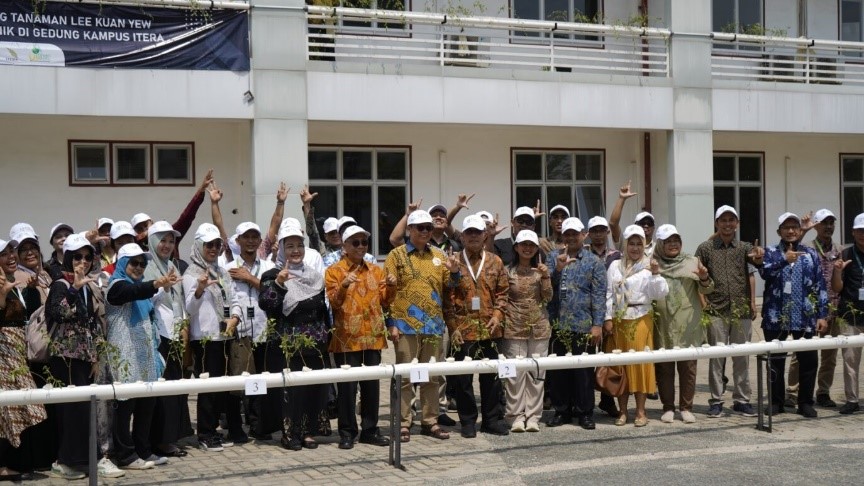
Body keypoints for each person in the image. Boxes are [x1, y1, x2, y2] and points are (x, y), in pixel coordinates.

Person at [384, 209, 460, 443]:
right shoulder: (396, 255)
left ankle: (430, 421)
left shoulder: (438, 255)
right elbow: (386, 294)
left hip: (433, 326)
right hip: (405, 325)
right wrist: (391, 324)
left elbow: (450, 286)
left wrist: (455, 272)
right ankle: (403, 422)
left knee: (432, 376)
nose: (426, 231)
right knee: (405, 377)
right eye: (421, 228)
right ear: (410, 230)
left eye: (429, 228)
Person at [44, 234, 115, 479]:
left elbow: (90, 322)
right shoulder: (60, 284)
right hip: (64, 357)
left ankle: (80, 459)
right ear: (68, 259)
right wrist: (74, 288)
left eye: (87, 257)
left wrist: (95, 355)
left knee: (83, 410)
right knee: (70, 411)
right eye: (77, 257)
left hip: (83, 357)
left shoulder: (86, 285)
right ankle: (65, 460)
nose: (83, 262)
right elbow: (58, 313)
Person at [106, 243, 181, 467]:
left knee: (146, 406)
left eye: (142, 264)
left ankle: (143, 450)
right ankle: (125, 455)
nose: (139, 267)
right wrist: (156, 284)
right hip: (125, 356)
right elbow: (131, 292)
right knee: (125, 407)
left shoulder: (143, 290)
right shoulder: (116, 286)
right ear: (122, 264)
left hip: (145, 356)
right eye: (134, 263)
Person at [258, 225, 331, 451]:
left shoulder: (314, 276)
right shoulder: (272, 275)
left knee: (312, 389)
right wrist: (280, 284)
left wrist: (326, 337)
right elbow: (267, 304)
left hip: (315, 344)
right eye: (290, 246)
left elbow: (322, 310)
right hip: (287, 345)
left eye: (299, 245)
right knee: (291, 391)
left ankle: (308, 432)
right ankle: (290, 434)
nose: (296, 250)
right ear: (281, 249)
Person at [325, 225, 394, 449]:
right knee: (347, 388)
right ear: (345, 246)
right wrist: (344, 285)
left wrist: (392, 286)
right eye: (355, 242)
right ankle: (347, 432)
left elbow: (386, 301)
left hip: (373, 336)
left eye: (364, 242)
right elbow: (334, 303)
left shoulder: (375, 270)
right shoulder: (334, 271)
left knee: (371, 387)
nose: (361, 246)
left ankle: (370, 430)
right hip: (347, 338)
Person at [695, 205, 764, 418]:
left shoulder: (744, 248)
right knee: (717, 358)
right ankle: (716, 401)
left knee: (742, 358)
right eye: (723, 220)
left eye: (731, 220)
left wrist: (759, 257)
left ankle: (742, 400)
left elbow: (756, 265)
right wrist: (704, 304)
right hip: (716, 310)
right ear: (716, 223)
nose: (727, 224)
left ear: (737, 224)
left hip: (741, 310)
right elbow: (697, 277)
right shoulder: (705, 248)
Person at [445, 215, 510, 438]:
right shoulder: (453, 261)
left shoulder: (495, 261)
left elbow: (503, 292)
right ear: (462, 237)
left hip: (490, 328)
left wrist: (498, 315)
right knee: (463, 380)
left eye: (477, 232)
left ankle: (491, 420)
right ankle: (468, 421)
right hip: (462, 330)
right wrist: (453, 328)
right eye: (469, 232)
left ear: (485, 236)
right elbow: (447, 297)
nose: (473, 236)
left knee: (491, 377)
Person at [183, 223, 244, 452]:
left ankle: (213, 430)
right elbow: (189, 309)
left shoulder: (221, 272)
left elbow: (234, 298)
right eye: (209, 244)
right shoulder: (191, 274)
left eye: (217, 244)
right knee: (208, 389)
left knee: (220, 388)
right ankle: (205, 434)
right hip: (205, 339)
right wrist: (199, 290)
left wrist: (235, 318)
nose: (213, 249)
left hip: (224, 337)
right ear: (199, 246)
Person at [759, 212, 828, 417]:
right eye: (786, 227)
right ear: (779, 231)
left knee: (808, 361)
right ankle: (776, 402)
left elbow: (820, 284)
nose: (790, 231)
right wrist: (784, 259)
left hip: (804, 315)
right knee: (775, 361)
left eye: (794, 227)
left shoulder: (810, 253)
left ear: (800, 230)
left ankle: (805, 402)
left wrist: (822, 314)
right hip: (776, 316)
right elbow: (764, 273)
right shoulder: (770, 252)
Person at [545, 217, 607, 430]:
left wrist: (597, 324)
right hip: (558, 323)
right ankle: (561, 410)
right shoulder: (552, 257)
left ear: (583, 235)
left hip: (583, 324)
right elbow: (546, 288)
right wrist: (557, 270)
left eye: (575, 233)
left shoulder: (594, 262)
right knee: (558, 371)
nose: (571, 237)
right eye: (567, 234)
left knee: (583, 373)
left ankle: (585, 412)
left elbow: (599, 295)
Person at [604, 225, 669, 427]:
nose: (635, 248)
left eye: (639, 244)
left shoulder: (648, 266)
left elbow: (660, 293)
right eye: (631, 244)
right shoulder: (615, 266)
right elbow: (609, 293)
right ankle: (623, 411)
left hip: (640, 317)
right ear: (625, 245)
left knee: (640, 365)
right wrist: (607, 318)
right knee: (620, 367)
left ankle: (641, 411)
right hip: (619, 319)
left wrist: (656, 274)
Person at [653, 224, 714, 424]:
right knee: (664, 368)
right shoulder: (653, 263)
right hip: (663, 323)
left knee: (688, 368)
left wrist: (704, 277)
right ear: (660, 244)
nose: (673, 244)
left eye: (676, 240)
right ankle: (668, 407)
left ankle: (686, 408)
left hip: (688, 323)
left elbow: (707, 290)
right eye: (668, 241)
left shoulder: (692, 262)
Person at [9, 224, 57, 472]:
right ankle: (39, 458)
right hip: (31, 352)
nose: (29, 252)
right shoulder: (16, 278)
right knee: (37, 404)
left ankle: (49, 455)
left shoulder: (45, 274)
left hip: (49, 349)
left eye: (33, 247)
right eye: (23, 249)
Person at [144, 221, 193, 457]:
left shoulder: (172, 265)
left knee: (175, 388)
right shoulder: (147, 266)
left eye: (171, 241)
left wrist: (183, 327)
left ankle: (171, 437)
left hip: (174, 334)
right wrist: (161, 287)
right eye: (162, 240)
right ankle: (159, 441)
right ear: (152, 241)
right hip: (157, 336)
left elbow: (179, 300)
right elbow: (145, 300)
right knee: (161, 391)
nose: (167, 245)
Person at [0, 238, 48, 482]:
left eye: (11, 251)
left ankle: (16, 462)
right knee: (7, 410)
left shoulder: (13, 283)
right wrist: (2, 296)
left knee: (19, 408)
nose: (11, 256)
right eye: (4, 254)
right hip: (3, 355)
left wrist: (30, 291)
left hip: (17, 353)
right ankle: (4, 465)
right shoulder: (4, 286)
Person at [787, 209, 841, 408]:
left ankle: (823, 392)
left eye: (831, 223)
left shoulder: (839, 249)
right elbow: (792, 247)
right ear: (816, 226)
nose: (828, 227)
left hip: (833, 307)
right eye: (824, 223)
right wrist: (803, 230)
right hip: (808, 309)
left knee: (829, 356)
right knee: (800, 353)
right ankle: (792, 391)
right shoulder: (806, 248)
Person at [502, 230, 553, 433]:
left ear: (537, 249)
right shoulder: (507, 271)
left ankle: (533, 416)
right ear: (516, 247)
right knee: (515, 374)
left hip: (539, 327)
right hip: (514, 327)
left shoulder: (541, 271)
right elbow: (502, 297)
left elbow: (548, 297)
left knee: (537, 374)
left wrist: (546, 276)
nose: (527, 248)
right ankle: (515, 416)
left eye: (531, 245)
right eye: (523, 244)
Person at [832, 213, 864, 415]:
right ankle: (852, 400)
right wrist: (837, 271)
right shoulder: (845, 254)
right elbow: (837, 288)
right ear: (853, 232)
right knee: (850, 361)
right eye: (860, 230)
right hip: (849, 315)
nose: (863, 234)